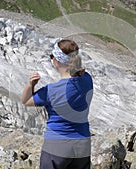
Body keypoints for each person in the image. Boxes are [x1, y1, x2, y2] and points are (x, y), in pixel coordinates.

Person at [21, 39, 93, 169]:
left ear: (56, 61)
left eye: (52, 56)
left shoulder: (51, 91)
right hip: (83, 144)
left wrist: (30, 84)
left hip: (57, 146)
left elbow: (26, 100)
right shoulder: (87, 79)